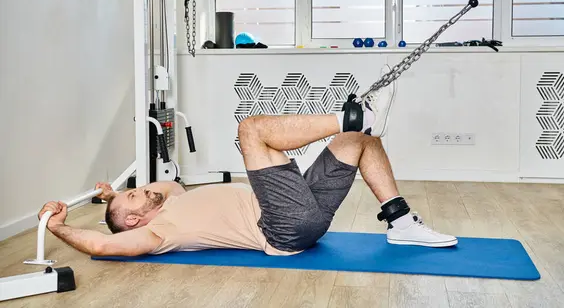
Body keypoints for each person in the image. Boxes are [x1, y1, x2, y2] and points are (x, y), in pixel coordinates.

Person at [38, 66, 457, 258]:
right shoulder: (158, 233)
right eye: (133, 199)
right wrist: (58, 227)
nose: (142, 190)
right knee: (251, 130)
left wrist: (113, 197)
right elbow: (101, 243)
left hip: (303, 211)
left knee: (358, 142)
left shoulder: (173, 200)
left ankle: (402, 224)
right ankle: (358, 114)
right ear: (133, 222)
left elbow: (162, 189)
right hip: (282, 227)